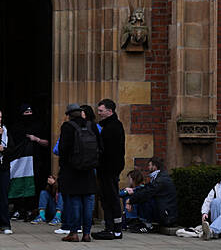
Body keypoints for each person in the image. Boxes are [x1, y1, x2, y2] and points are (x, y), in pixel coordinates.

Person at [57, 103, 100, 242]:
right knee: (88, 202)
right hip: (89, 170)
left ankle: (74, 233)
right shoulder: (91, 125)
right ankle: (87, 234)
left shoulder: (67, 126)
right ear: (81, 113)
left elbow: (62, 149)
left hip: (72, 170)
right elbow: (100, 147)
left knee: (75, 201)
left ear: (68, 115)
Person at [9, 104, 49, 221]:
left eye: (30, 112)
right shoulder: (16, 128)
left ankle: (31, 209)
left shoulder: (39, 126)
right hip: (19, 163)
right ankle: (18, 209)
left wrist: (35, 139)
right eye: (26, 112)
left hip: (36, 162)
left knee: (34, 184)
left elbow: (46, 143)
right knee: (18, 184)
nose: (29, 114)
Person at [92, 99, 125, 240]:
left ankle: (114, 229)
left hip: (109, 168)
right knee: (107, 198)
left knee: (110, 198)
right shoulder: (107, 126)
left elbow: (107, 150)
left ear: (109, 111)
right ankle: (112, 228)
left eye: (101, 111)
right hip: (107, 168)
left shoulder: (113, 127)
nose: (99, 113)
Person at [125, 157, 178, 231]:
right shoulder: (159, 177)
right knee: (139, 194)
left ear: (155, 166)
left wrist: (130, 201)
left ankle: (145, 223)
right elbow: (146, 189)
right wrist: (133, 194)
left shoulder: (161, 180)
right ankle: (136, 220)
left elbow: (147, 192)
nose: (148, 167)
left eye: (149, 165)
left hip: (167, 217)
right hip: (164, 213)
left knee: (144, 198)